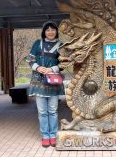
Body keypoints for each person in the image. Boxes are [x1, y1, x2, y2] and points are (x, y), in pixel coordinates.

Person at [26, 20, 64, 148]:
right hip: (39, 81)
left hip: (53, 82)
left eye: (53, 29)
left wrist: (52, 69)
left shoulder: (61, 45)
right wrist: (37, 67)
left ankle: (53, 135)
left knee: (53, 110)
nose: (50, 32)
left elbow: (65, 63)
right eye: (47, 30)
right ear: (44, 32)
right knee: (42, 111)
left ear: (56, 31)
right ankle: (45, 136)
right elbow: (30, 59)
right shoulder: (38, 43)